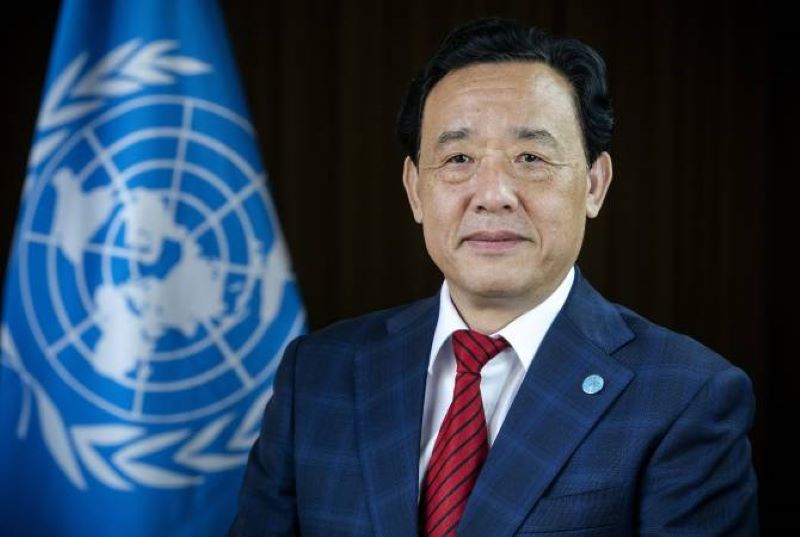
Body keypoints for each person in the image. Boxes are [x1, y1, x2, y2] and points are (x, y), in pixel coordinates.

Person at [229, 17, 759, 536]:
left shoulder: (686, 395)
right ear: (415, 190)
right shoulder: (318, 373)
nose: (492, 195)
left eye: (530, 157)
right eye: (458, 158)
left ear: (595, 184)